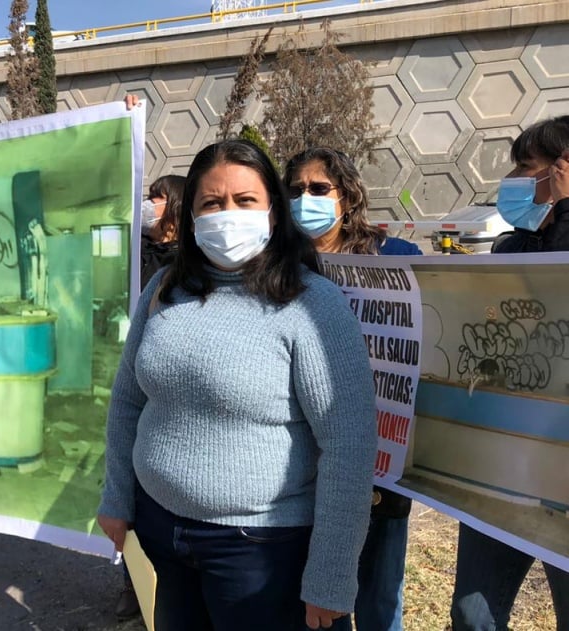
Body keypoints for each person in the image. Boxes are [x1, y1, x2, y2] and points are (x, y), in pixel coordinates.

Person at [98, 139, 377, 631]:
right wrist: (117, 497)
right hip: (161, 533)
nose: (227, 214)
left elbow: (348, 445)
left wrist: (330, 577)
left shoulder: (313, 305)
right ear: (191, 218)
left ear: (273, 211)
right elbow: (127, 401)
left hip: (261, 551)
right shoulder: (164, 289)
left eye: (244, 201)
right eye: (211, 202)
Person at [283, 147, 421, 631]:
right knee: (323, 596)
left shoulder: (396, 259)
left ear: (347, 196)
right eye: (296, 190)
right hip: (307, 459)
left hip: (382, 462)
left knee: (381, 595)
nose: (306, 199)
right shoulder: (277, 268)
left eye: (318, 189)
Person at [450, 116, 569, 631]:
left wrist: (566, 214)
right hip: (502, 470)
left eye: (528, 168)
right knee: (473, 614)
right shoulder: (510, 248)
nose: (514, 181)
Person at [115, 172, 186, 621]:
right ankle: (133, 589)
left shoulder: (189, 267)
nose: (149, 204)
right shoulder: (136, 251)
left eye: (158, 198)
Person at [139, 174, 185, 289]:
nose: (147, 202)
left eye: (156, 196)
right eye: (149, 196)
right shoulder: (134, 246)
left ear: (176, 205)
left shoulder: (184, 264)